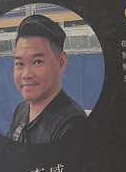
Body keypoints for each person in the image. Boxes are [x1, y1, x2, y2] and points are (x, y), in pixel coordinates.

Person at [6, 12, 88, 144]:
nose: (26, 75)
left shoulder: (72, 124)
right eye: (19, 63)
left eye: (37, 62)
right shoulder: (21, 109)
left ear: (61, 62)